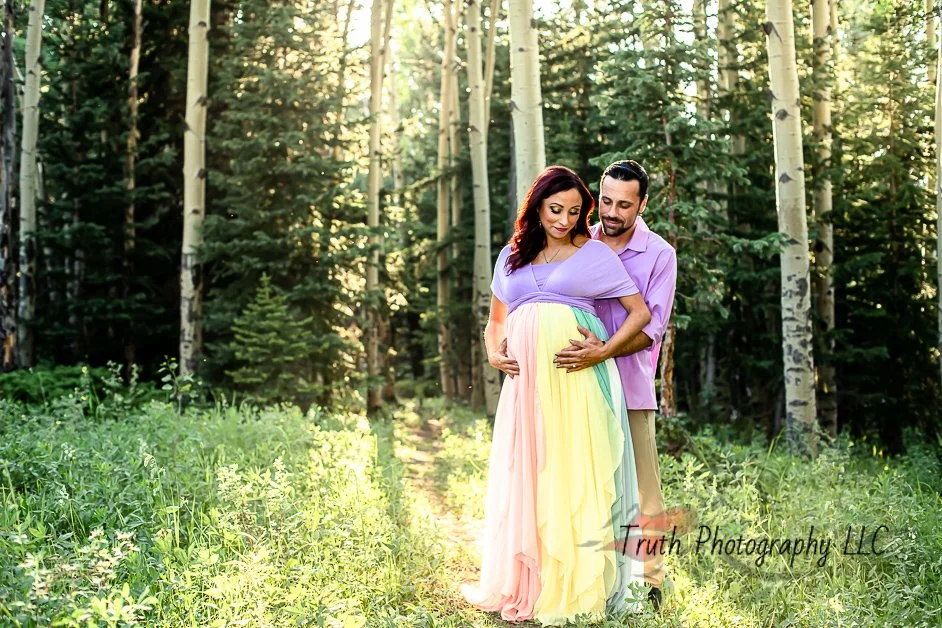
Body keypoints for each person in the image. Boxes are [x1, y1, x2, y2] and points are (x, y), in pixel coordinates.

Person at [460, 166, 651, 625]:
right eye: (554, 209)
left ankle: (573, 586)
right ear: (537, 207)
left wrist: (601, 351)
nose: (564, 219)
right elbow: (495, 321)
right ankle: (531, 581)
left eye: (573, 211)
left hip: (576, 381)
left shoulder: (596, 254)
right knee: (530, 472)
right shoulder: (511, 256)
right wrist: (492, 353)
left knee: (572, 473)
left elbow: (639, 313)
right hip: (526, 389)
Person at [553, 159, 678, 611]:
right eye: (605, 200)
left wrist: (603, 350)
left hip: (629, 386)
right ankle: (587, 578)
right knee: (582, 481)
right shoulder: (579, 240)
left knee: (643, 487)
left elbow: (651, 329)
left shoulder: (659, 254)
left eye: (624, 205)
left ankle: (651, 585)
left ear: (642, 204)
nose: (612, 212)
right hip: (576, 384)